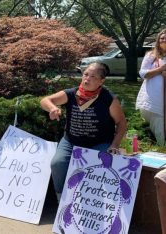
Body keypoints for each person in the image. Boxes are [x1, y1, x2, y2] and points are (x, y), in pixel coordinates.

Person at [40, 62, 127, 201]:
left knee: (100, 169)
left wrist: (115, 145)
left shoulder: (108, 98)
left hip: (99, 143)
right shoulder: (71, 93)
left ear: (101, 81)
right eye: (85, 74)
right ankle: (61, 199)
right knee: (57, 163)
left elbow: (121, 123)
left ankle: (92, 203)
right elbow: (45, 100)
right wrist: (52, 108)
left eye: (93, 76)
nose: (87, 79)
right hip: (71, 141)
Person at [136, 29, 166, 146]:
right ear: (158, 40)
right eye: (162, 38)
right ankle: (162, 149)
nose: (164, 40)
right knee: (159, 122)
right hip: (154, 97)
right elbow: (143, 74)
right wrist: (160, 70)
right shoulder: (151, 55)